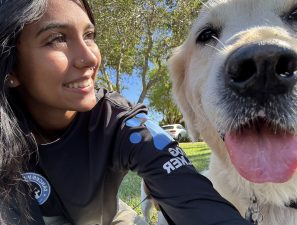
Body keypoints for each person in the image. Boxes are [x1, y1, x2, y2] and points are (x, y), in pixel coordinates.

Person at [0, 0, 253, 225]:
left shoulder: (121, 122)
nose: (89, 57)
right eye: (57, 38)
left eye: (89, 35)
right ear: (11, 67)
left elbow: (195, 199)